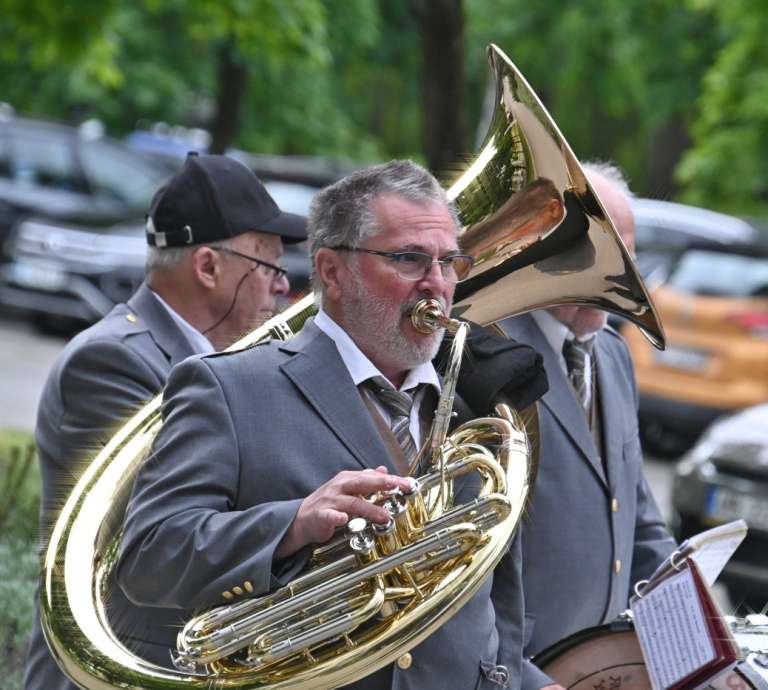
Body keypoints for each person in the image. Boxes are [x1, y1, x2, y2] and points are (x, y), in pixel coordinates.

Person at [116, 159, 526, 689]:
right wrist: (291, 524)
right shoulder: (230, 388)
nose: (436, 285)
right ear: (332, 272)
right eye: (409, 260)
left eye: (448, 263)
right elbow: (149, 555)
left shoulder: (480, 407)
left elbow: (501, 589)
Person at [23, 152, 306, 690]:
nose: (283, 289)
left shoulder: (229, 362)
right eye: (269, 265)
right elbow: (162, 529)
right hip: (113, 670)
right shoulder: (111, 361)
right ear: (207, 266)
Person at [495, 162, 677, 690]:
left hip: (601, 668)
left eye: (630, 256)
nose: (627, 278)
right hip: (517, 670)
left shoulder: (615, 356)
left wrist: (699, 637)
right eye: (607, 255)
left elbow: (640, 519)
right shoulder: (492, 355)